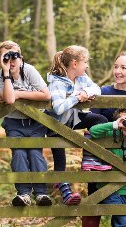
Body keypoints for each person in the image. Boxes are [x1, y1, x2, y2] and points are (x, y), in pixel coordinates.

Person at [87, 52, 126, 227]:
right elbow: (91, 127)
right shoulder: (102, 92)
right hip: (101, 163)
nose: (118, 71)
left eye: (123, 67)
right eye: (116, 66)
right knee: (94, 206)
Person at [47, 45, 109, 205]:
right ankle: (64, 189)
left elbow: (97, 89)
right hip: (55, 123)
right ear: (75, 64)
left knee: (100, 120)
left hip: (72, 118)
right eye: (85, 62)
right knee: (60, 155)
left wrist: (86, 93)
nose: (87, 65)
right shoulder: (56, 81)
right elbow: (59, 107)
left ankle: (90, 158)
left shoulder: (82, 78)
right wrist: (76, 98)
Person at [0, 40, 52, 206]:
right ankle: (24, 193)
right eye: (6, 57)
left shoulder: (29, 70)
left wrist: (19, 93)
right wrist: (6, 73)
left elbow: (46, 95)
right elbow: (10, 99)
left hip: (36, 122)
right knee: (19, 154)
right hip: (14, 123)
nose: (11, 61)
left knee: (35, 154)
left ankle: (41, 194)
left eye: (15, 56)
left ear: (21, 57)